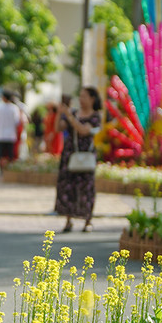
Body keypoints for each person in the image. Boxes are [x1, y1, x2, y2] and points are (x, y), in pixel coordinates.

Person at [54, 86, 101, 233]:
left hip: (86, 154)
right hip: (70, 155)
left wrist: (68, 116)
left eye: (84, 96)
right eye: (80, 96)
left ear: (92, 99)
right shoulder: (73, 113)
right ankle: (68, 220)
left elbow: (83, 131)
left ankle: (87, 221)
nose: (81, 99)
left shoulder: (95, 116)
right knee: (67, 186)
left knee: (86, 187)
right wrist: (60, 113)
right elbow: (58, 128)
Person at [0, 90, 23, 173]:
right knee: (10, 154)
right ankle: (9, 169)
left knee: (1, 154)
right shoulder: (14, 108)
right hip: (11, 135)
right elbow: (17, 122)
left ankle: (1, 169)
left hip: (1, 134)